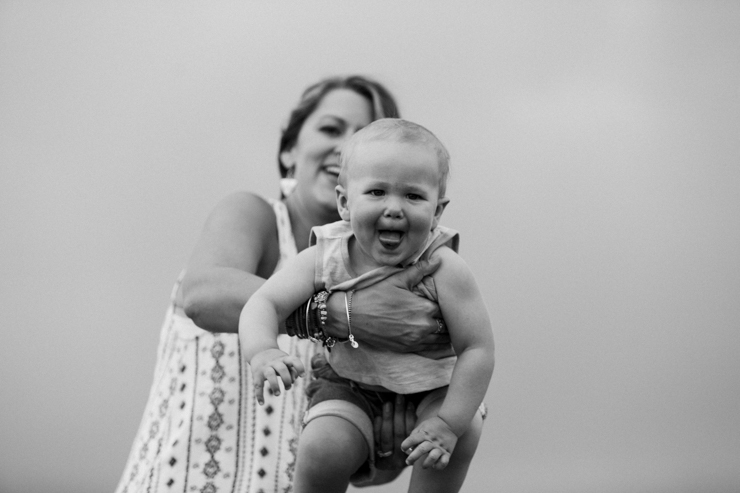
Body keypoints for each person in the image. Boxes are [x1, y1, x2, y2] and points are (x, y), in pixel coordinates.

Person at [115, 76, 453, 493]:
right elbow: (203, 295)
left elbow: (365, 471)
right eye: (331, 129)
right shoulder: (254, 216)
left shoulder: (394, 278)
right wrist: (342, 314)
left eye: (363, 137)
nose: (344, 147)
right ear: (289, 150)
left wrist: (387, 450)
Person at [240, 118, 495, 493]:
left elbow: (478, 348)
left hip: (432, 389)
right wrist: (262, 350)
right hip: (350, 384)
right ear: (345, 202)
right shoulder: (325, 255)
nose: (394, 208)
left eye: (413, 196)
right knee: (323, 447)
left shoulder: (444, 266)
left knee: (463, 429)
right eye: (377, 192)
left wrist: (448, 423)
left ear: (438, 212)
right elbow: (264, 302)